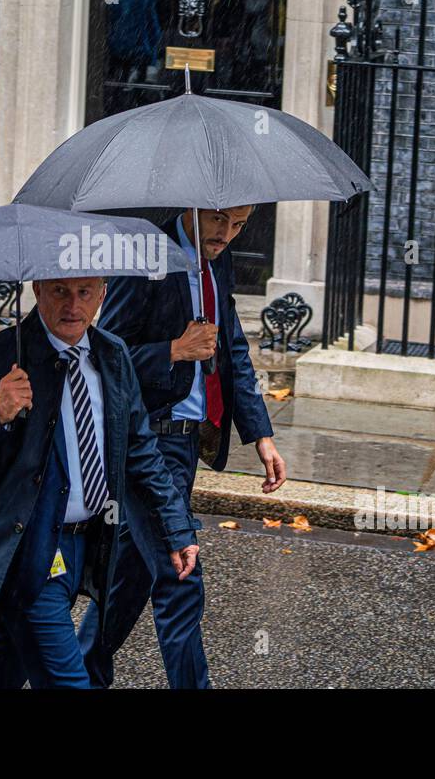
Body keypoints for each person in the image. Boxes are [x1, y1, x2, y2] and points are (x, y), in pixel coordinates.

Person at [0, 275, 200, 689]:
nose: (73, 305)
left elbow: (140, 450)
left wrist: (176, 529)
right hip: (25, 551)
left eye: (84, 292)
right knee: (70, 682)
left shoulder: (112, 354)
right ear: (37, 291)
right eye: (60, 291)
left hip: (83, 546)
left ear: (102, 295)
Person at [77, 205, 288, 689]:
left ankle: (81, 675)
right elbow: (104, 353)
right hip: (148, 440)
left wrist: (260, 433)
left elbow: (231, 343)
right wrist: (173, 349)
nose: (226, 234)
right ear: (194, 205)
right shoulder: (147, 259)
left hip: (188, 441)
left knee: (131, 575)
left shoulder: (218, 262)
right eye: (218, 220)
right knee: (179, 573)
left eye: (238, 225)